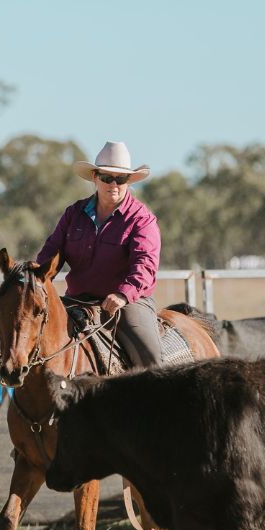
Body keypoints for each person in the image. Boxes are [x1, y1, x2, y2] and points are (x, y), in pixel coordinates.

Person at [35, 141, 162, 368]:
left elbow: (145, 265)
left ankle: (162, 397)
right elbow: (50, 253)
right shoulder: (73, 214)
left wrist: (123, 294)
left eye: (121, 178)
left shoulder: (141, 219)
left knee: (150, 360)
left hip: (127, 304)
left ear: (129, 182)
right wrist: (35, 281)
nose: (113, 184)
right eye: (106, 177)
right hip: (77, 300)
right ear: (95, 177)